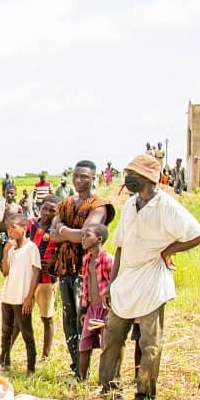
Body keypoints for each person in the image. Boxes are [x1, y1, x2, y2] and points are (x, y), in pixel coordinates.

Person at [97, 154, 200, 400]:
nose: (128, 180)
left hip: (151, 279)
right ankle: (108, 390)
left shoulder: (167, 206)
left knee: (149, 343)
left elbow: (198, 234)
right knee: (112, 335)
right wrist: (112, 284)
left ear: (148, 178)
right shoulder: (129, 206)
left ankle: (145, 395)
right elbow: (121, 247)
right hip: (126, 279)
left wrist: (168, 251)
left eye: (133, 176)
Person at [50, 160, 116, 378]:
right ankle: (76, 367)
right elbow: (53, 234)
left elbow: (84, 236)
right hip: (65, 267)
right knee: (68, 318)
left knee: (85, 318)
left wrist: (63, 229)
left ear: (93, 178)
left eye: (84, 177)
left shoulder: (99, 205)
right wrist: (72, 232)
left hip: (86, 270)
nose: (79, 180)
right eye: (76, 176)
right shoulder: (66, 203)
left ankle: (92, 372)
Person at [0, 213, 40, 374]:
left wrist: (29, 297)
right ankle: (5, 363)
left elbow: (36, 273)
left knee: (27, 333)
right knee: (6, 331)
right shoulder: (12, 250)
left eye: (13, 228)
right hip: (8, 296)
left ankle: (31, 368)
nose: (10, 232)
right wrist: (6, 250)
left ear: (24, 228)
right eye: (7, 228)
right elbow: (5, 272)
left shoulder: (31, 248)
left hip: (22, 297)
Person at [78, 224, 114, 382]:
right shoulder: (86, 260)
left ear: (99, 239)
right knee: (85, 343)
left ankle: (105, 381)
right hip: (92, 307)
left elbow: (115, 285)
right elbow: (86, 285)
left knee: (107, 345)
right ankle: (81, 378)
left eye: (87, 235)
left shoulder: (108, 260)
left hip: (106, 309)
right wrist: (84, 309)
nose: (83, 238)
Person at [27, 196, 59, 359]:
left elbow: (65, 253)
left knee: (47, 318)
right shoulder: (31, 224)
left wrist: (55, 262)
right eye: (45, 208)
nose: (47, 213)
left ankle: (45, 356)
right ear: (40, 207)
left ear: (57, 212)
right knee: (22, 316)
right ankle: (6, 352)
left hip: (46, 281)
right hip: (27, 278)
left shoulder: (58, 231)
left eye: (52, 210)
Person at [0, 182, 21, 270]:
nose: (9, 195)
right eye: (7, 192)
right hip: (2, 236)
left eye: (11, 193)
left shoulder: (18, 208)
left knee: (14, 260)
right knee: (2, 260)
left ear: (15, 194)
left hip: (14, 237)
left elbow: (22, 224)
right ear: (4, 193)